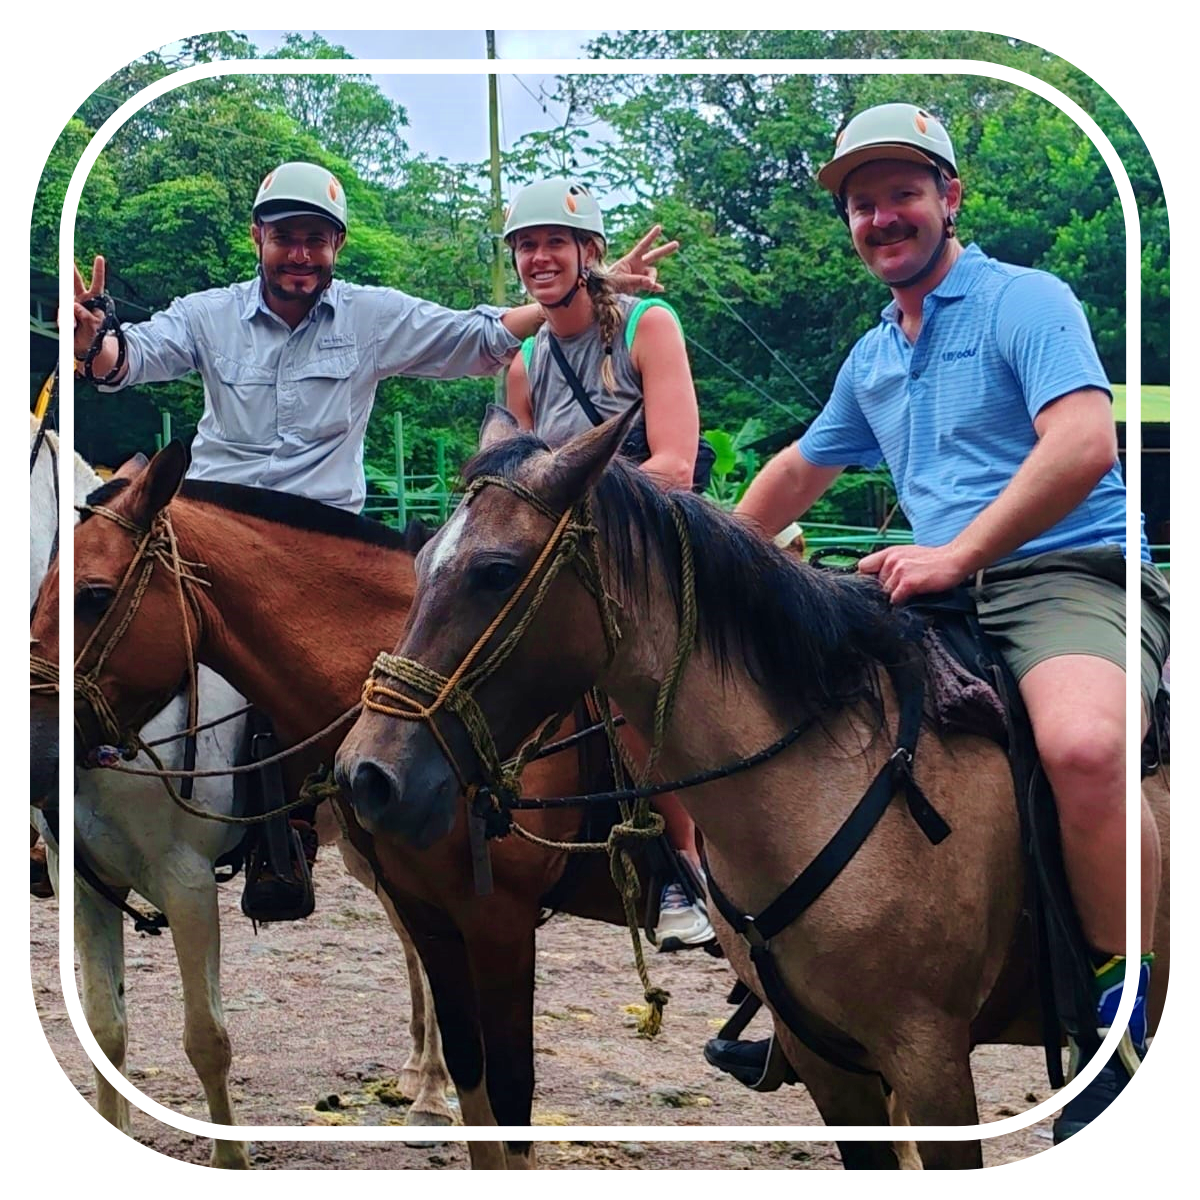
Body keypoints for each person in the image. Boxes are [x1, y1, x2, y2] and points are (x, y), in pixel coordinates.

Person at [712, 103, 1168, 1141]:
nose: (882, 217)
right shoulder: (873, 354)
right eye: (862, 204)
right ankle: (800, 994)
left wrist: (962, 550)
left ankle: (1121, 1009)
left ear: (949, 198)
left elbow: (1086, 443)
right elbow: (797, 470)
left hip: (1067, 569)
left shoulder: (1024, 302)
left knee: (1086, 746)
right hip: (928, 587)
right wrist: (713, 565)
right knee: (767, 727)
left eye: (902, 194)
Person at [67, 160, 678, 920]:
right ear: (258, 238)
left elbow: (479, 336)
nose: (300, 253)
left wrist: (586, 288)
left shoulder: (370, 316)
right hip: (216, 533)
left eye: (316, 239)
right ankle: (70, 784)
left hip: (324, 544)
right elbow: (130, 360)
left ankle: (345, 825)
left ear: (338, 245)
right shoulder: (207, 314)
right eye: (285, 237)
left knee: (421, 655)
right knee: (96, 601)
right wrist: (95, 344)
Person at [502, 176, 716, 951]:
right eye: (526, 246)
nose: (539, 257)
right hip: (560, 550)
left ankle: (682, 866)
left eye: (554, 242)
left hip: (649, 539)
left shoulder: (646, 328)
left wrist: (571, 497)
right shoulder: (524, 362)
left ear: (589, 252)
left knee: (635, 683)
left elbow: (676, 464)